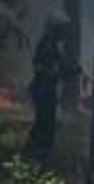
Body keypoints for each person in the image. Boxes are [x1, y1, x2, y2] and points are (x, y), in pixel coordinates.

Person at [25, 14, 68, 160]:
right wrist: (59, 72)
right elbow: (43, 68)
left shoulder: (50, 44)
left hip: (45, 89)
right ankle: (36, 153)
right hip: (43, 89)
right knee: (44, 123)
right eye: (61, 29)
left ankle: (37, 153)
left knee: (44, 122)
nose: (63, 33)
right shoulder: (48, 45)